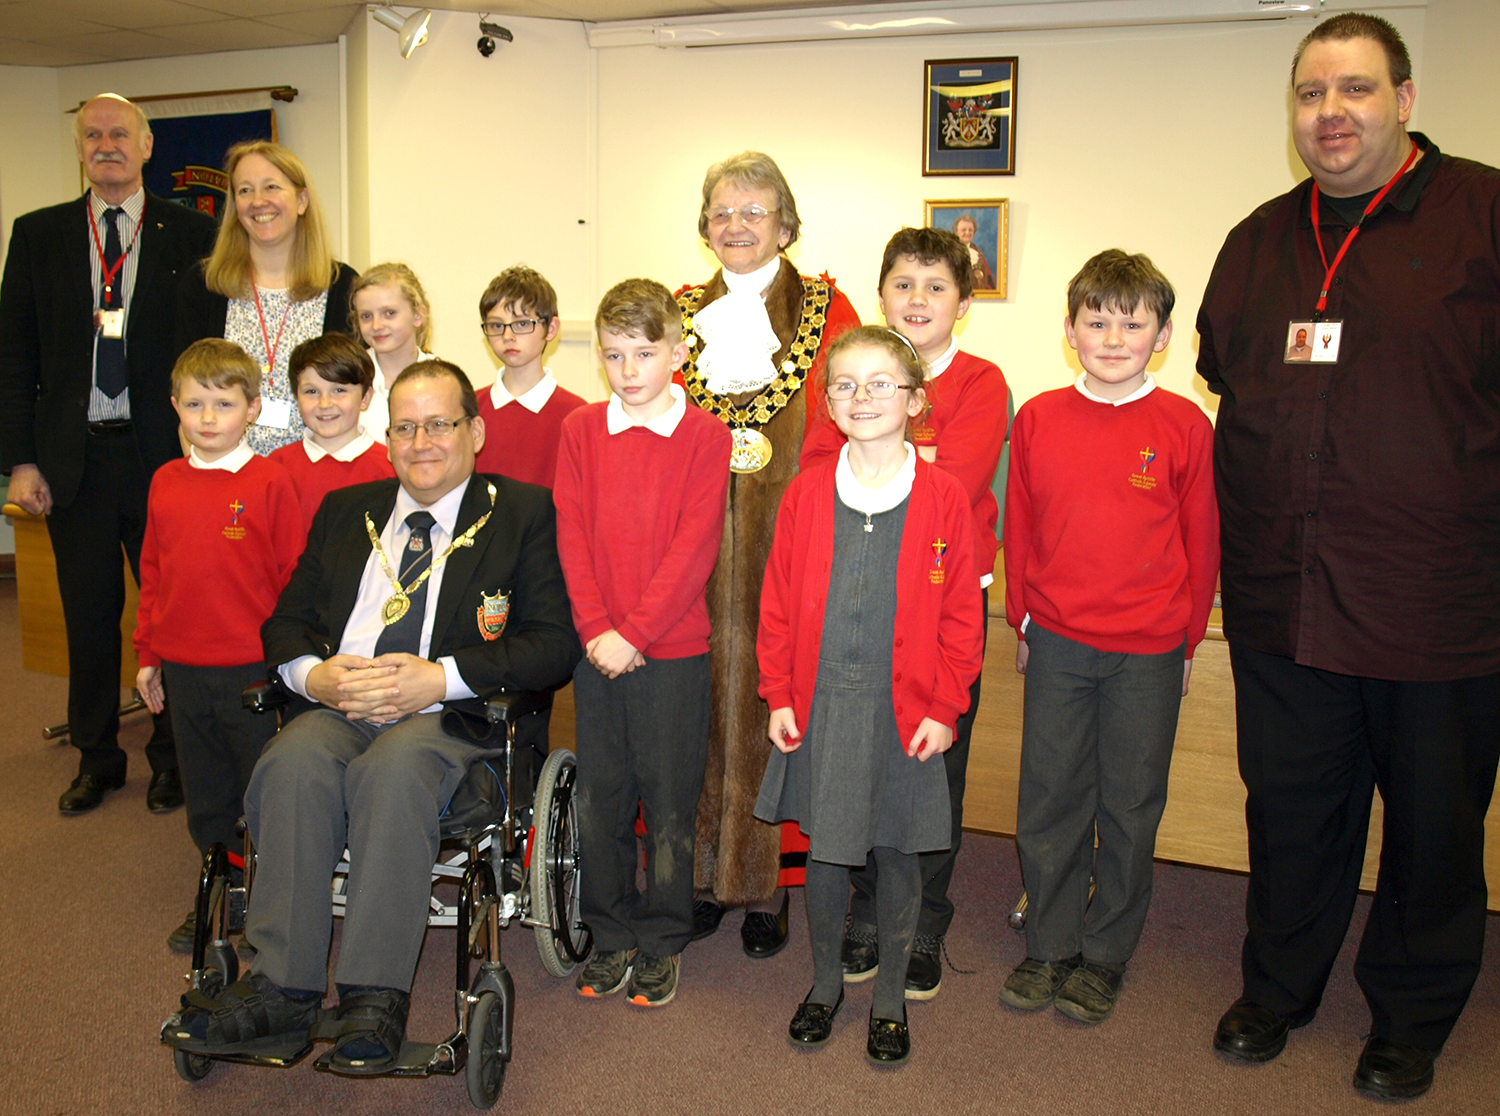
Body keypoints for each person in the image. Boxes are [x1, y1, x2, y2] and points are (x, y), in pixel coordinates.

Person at [1195, 13, 1500, 1099]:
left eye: (1357, 90)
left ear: (1405, 100)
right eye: (1313, 93)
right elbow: (1234, 376)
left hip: (1435, 600)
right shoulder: (1258, 240)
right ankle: (1277, 989)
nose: (1333, 113)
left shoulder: (1483, 216)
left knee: (1432, 825)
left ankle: (1411, 1018)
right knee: (1289, 811)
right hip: (1287, 598)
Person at [169, 359, 580, 1069]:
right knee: (290, 763)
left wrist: (439, 679)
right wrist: (317, 676)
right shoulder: (345, 512)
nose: (422, 442)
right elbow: (285, 624)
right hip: (346, 705)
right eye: (406, 427)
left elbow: (551, 646)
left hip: (453, 722)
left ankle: (373, 995)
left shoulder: (521, 512)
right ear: (386, 438)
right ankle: (282, 991)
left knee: (394, 771)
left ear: (475, 431)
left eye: (441, 424)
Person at [755, 325, 985, 1066]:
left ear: (915, 400)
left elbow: (961, 616)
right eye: (846, 384)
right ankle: (825, 986)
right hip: (822, 705)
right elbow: (779, 602)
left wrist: (946, 707)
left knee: (896, 852)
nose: (863, 397)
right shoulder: (806, 494)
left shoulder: (944, 498)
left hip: (908, 710)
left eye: (881, 383)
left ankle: (889, 1002)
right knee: (827, 854)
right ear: (827, 402)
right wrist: (779, 695)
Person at [1001, 250, 1218, 1024]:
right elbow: (1018, 527)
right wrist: (1021, 617)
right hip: (1057, 639)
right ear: (1070, 331)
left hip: (1149, 650)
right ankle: (1051, 945)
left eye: (1134, 323)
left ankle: (1104, 955)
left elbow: (1202, 542)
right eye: (1098, 321)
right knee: (1050, 796)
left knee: (1129, 804)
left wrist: (1188, 643)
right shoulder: (1039, 418)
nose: (1115, 337)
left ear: (1162, 337)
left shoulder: (1185, 426)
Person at [802, 226, 1007, 999]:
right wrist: (900, 447)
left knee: (931, 771)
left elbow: (955, 475)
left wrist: (886, 450)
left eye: (936, 287)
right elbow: (822, 463)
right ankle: (865, 913)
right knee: (856, 763)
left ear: (962, 304)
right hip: (855, 607)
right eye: (902, 284)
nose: (916, 300)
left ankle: (923, 920)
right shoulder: (856, 369)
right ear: (881, 291)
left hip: (942, 605)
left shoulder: (983, 382)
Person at [0, 92, 217, 816]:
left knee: (168, 615)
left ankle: (170, 759)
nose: (105, 145)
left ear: (147, 145)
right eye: (92, 135)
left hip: (165, 460)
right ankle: (98, 757)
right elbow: (14, 353)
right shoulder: (37, 235)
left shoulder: (192, 232)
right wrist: (21, 460)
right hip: (76, 460)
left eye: (119, 133)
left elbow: (211, 351)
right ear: (80, 149)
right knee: (87, 615)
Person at [677, 151, 860, 956]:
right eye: (722, 211)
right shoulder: (682, 310)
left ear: (785, 223)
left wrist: (808, 526)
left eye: (754, 211)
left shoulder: (826, 305)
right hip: (692, 544)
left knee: (777, 708)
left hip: (790, 541)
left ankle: (770, 887)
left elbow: (845, 421)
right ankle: (705, 871)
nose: (736, 225)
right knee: (700, 708)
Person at [554, 279, 731, 1008]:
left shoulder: (705, 436)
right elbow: (572, 533)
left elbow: (694, 550)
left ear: (678, 353)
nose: (629, 370)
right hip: (598, 651)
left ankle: (662, 936)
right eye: (614, 355)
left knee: (667, 800)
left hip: (671, 651)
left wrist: (634, 633)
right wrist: (599, 629)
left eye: (645, 353)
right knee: (602, 797)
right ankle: (611, 930)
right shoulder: (582, 431)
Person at [134, 339, 304, 951]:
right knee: (204, 790)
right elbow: (153, 572)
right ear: (175, 406)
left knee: (257, 783)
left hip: (249, 669)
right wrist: (147, 654)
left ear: (253, 409)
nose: (208, 419)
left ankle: (265, 895)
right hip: (182, 665)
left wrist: (291, 661)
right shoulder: (165, 481)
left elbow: (292, 579)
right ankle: (216, 889)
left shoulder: (268, 482)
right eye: (195, 404)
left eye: (224, 404)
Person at [175, 140, 358, 455]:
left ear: (301, 200)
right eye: (245, 191)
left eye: (271, 187)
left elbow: (358, 392)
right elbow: (186, 397)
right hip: (231, 482)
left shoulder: (342, 286)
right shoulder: (204, 286)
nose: (258, 202)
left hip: (320, 478)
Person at [268, 333, 395, 535]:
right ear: (296, 397)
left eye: (339, 390)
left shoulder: (390, 466)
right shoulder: (277, 466)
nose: (325, 404)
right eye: (311, 392)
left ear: (365, 397)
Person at [474, 265, 585, 487]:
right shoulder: (469, 409)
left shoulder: (576, 416)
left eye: (522, 324)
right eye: (496, 325)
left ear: (551, 329)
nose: (507, 336)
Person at [349, 262, 436, 444]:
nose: (376, 326)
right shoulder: (348, 378)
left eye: (389, 313)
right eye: (366, 316)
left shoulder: (442, 378)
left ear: (418, 315)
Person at [952, 214, 996, 292]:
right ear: (956, 232)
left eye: (970, 230)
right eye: (963, 230)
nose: (967, 232)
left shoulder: (978, 253)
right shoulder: (949, 251)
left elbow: (988, 279)